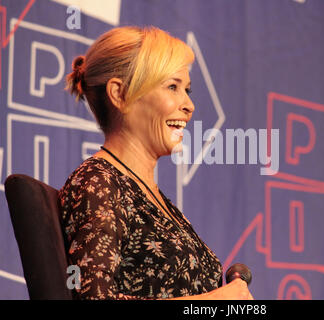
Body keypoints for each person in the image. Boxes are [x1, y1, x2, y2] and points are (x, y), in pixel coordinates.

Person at [59, 26, 252, 300]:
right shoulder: (98, 181)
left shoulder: (152, 197)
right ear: (120, 94)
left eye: (187, 89)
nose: (189, 105)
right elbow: (92, 297)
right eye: (172, 86)